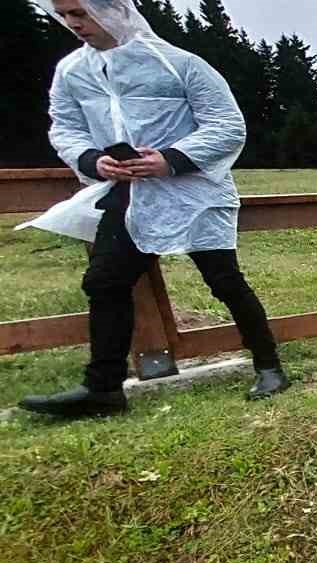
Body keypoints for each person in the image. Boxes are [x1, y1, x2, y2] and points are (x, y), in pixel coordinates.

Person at [20, 0, 286, 419]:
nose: (72, 24)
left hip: (195, 191)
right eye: (65, 14)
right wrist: (91, 160)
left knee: (224, 280)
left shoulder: (180, 64)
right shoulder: (72, 72)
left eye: (80, 13)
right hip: (129, 195)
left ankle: (269, 365)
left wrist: (172, 157)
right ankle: (103, 388)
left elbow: (227, 124)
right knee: (105, 281)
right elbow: (65, 127)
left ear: (113, 9)